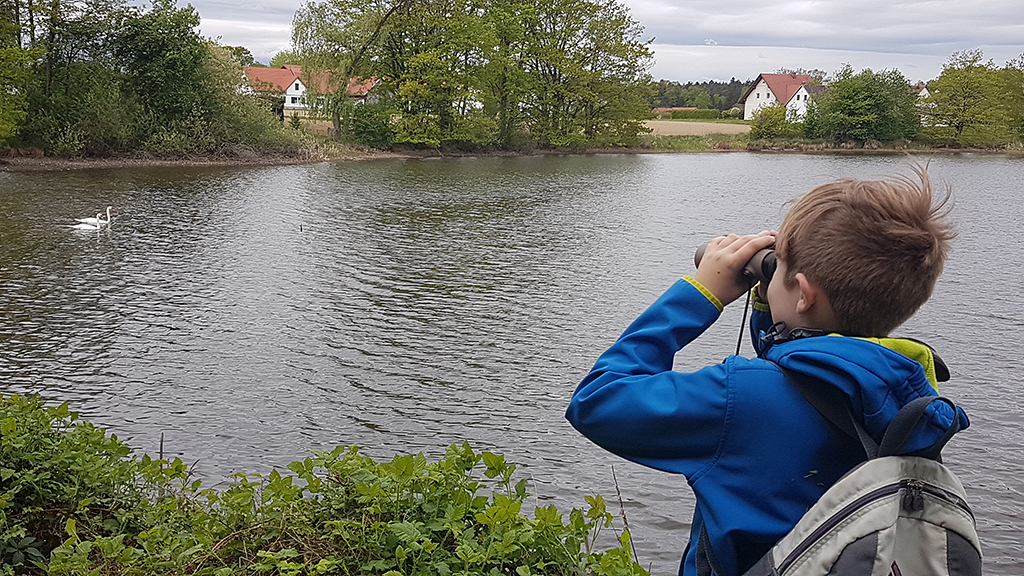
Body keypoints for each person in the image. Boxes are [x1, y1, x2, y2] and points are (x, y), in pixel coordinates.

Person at [565, 167, 971, 576]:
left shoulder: (740, 398)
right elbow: (804, 374)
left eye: (778, 268)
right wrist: (770, 302)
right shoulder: (912, 397)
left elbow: (597, 401)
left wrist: (700, 293)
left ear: (804, 293)